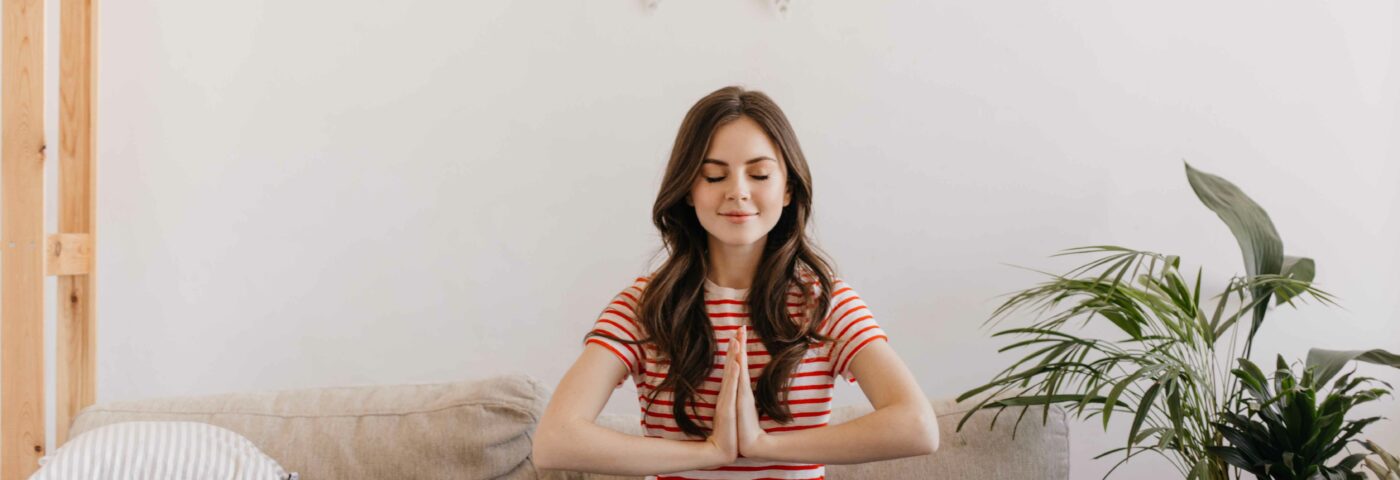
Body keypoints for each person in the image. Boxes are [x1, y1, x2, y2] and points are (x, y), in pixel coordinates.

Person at [532, 86, 939, 479]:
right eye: (713, 177)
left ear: (787, 189)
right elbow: (554, 441)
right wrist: (710, 452)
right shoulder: (646, 305)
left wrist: (762, 445)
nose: (738, 192)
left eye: (759, 174)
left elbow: (918, 426)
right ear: (688, 190)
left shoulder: (823, 302)